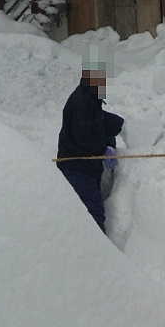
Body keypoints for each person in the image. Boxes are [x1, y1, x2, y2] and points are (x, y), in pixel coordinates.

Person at [56, 63, 124, 234]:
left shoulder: (90, 98)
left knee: (91, 207)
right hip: (75, 166)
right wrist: (105, 148)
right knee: (92, 213)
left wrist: (115, 123)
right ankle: (97, 251)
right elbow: (85, 137)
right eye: (102, 81)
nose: (104, 84)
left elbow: (98, 120)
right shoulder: (82, 103)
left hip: (87, 167)